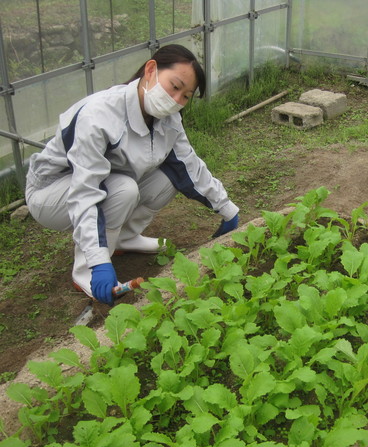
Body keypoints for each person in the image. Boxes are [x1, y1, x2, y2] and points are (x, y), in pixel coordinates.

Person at [25, 44, 239, 306]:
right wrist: (98, 262)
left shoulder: (168, 119)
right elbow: (85, 191)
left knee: (168, 178)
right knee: (123, 189)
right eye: (174, 86)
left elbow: (189, 164)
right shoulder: (99, 116)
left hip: (107, 183)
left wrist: (227, 208)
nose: (176, 100)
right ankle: (86, 271)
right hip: (51, 193)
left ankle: (124, 237)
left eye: (186, 96)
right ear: (151, 70)